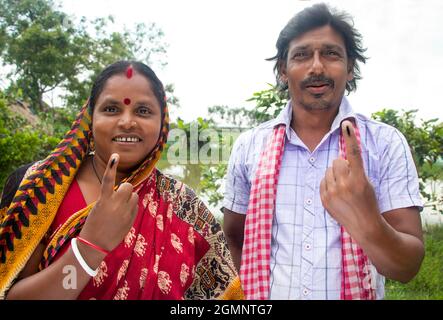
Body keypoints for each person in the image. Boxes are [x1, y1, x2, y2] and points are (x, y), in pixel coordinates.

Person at [222, 3, 424, 300]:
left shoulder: (385, 143)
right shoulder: (250, 146)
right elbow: (235, 237)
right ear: (282, 70)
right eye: (302, 55)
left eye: (331, 53)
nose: (316, 67)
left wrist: (367, 218)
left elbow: (406, 268)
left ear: (350, 67)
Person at [0, 60, 243, 300]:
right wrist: (89, 248)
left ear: (162, 124)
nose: (127, 122)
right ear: (90, 118)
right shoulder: (40, 188)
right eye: (111, 109)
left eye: (143, 111)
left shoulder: (184, 206)